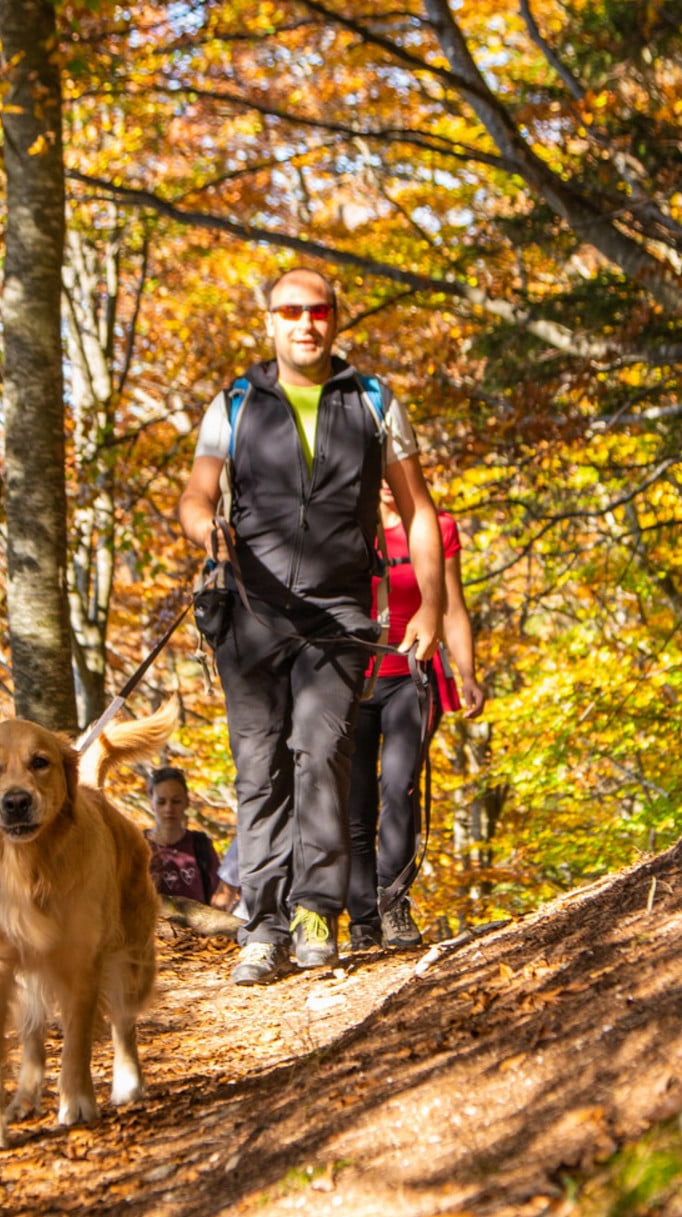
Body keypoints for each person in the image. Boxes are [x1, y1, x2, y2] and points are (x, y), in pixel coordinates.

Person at [175, 266, 445, 985]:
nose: (305, 322)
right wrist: (209, 530)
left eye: (318, 310)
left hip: (341, 615)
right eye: (290, 310)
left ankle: (316, 911)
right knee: (259, 768)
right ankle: (261, 926)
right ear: (269, 320)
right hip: (251, 615)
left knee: (321, 750)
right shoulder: (233, 402)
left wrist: (434, 610)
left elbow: (417, 511)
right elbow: (197, 493)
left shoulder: (373, 400)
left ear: (335, 319)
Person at [347, 480, 484, 951]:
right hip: (351, 681)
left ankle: (393, 902)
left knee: (398, 786)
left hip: (412, 675)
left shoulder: (437, 529)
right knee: (355, 799)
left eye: (394, 472)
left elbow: (452, 608)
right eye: (377, 471)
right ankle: (361, 916)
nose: (385, 482)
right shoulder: (349, 528)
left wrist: (467, 673)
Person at [144, 765, 222, 904]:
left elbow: (218, 900)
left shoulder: (201, 845)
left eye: (176, 801)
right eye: (161, 802)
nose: (169, 809)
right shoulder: (137, 846)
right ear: (151, 804)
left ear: (187, 802)